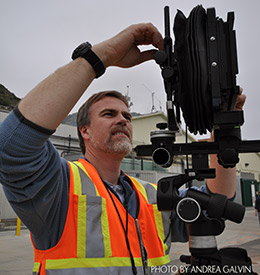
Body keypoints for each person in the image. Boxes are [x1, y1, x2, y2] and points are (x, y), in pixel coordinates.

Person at [0, 23, 245, 275]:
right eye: (109, 114)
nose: (123, 120)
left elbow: (217, 206)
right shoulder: (59, 188)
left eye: (127, 116)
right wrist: (103, 56)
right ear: (84, 130)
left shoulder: (151, 196)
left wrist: (223, 131)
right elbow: (11, 148)